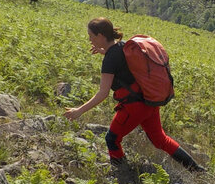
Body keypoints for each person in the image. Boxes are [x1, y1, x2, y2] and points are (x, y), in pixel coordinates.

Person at [64, 17, 205, 172]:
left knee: (112, 139)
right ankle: (196, 169)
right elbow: (121, 62)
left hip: (134, 107)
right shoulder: (123, 47)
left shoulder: (110, 59)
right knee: (160, 140)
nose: (89, 39)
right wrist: (104, 52)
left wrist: (79, 111)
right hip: (148, 100)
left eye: (91, 36)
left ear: (101, 36)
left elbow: (102, 93)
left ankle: (122, 173)